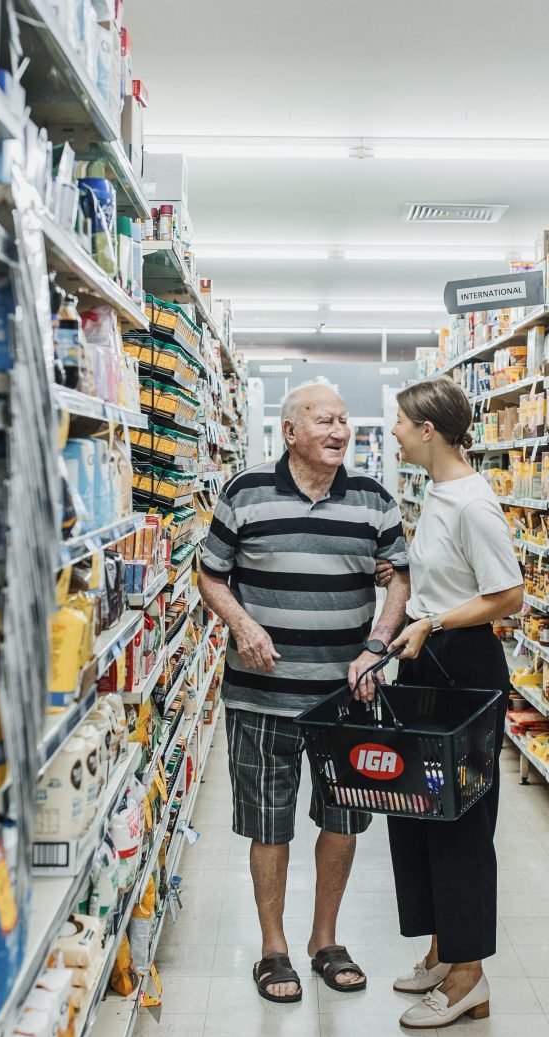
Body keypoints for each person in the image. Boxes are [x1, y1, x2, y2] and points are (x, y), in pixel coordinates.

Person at [198, 382, 412, 1004]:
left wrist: (377, 645)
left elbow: (398, 577)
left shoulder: (374, 500)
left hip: (347, 700)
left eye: (344, 420)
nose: (339, 431)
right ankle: (273, 947)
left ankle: (325, 939)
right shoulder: (244, 493)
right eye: (324, 420)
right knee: (270, 824)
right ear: (290, 432)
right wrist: (243, 624)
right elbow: (210, 574)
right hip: (261, 694)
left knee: (343, 818)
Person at [381, 377, 523, 1030]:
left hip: (463, 671)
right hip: (426, 664)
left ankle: (470, 977)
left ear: (429, 430)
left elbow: (508, 595)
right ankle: (442, 950)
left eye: (401, 423)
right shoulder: (436, 492)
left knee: (461, 821)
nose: (395, 432)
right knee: (417, 811)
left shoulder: (471, 501)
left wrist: (432, 622)